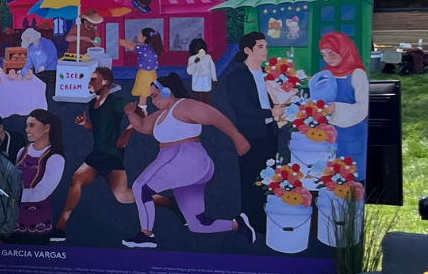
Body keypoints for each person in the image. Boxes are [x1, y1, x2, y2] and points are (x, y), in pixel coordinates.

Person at [120, 81, 254, 248]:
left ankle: (146, 234)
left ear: (167, 90)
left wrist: (236, 136)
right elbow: (143, 126)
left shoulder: (183, 106)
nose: (152, 101)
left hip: (186, 159)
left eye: (154, 95)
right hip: (185, 167)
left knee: (141, 187)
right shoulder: (162, 114)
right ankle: (238, 225)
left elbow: (214, 116)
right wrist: (131, 114)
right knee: (197, 224)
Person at [214, 31, 292, 233]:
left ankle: (266, 215)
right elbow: (240, 107)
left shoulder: (269, 74)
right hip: (250, 133)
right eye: (260, 47)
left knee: (270, 174)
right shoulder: (237, 77)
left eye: (266, 46)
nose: (265, 50)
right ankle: (253, 221)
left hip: (270, 131)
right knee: (250, 177)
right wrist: (271, 111)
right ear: (248, 50)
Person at [51, 66, 133, 242]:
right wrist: (86, 124)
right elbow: (97, 129)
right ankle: (60, 228)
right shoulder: (92, 105)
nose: (89, 82)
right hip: (98, 153)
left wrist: (126, 133)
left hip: (112, 154)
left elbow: (140, 115)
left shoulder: (117, 102)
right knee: (80, 181)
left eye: (93, 79)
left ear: (106, 82)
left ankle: (166, 202)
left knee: (121, 196)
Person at [309, 31, 370, 164]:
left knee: (349, 175)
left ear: (344, 50)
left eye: (332, 53)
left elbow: (364, 107)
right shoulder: (324, 75)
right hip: (327, 135)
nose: (328, 59)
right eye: (324, 55)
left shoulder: (357, 74)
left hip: (352, 134)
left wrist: (336, 109)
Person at [16, 109, 65, 236]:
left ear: (46, 128)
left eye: (32, 125)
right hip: (14, 222)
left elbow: (41, 192)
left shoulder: (55, 158)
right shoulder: (22, 151)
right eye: (27, 125)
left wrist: (11, 196)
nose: (27, 130)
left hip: (37, 225)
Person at [117, 27, 166, 106]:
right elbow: (138, 47)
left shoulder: (144, 49)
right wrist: (129, 42)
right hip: (152, 74)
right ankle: (160, 104)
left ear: (144, 38)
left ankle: (142, 110)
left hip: (144, 74)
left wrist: (125, 44)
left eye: (140, 34)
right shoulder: (151, 47)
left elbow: (135, 48)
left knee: (143, 95)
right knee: (152, 92)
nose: (138, 36)